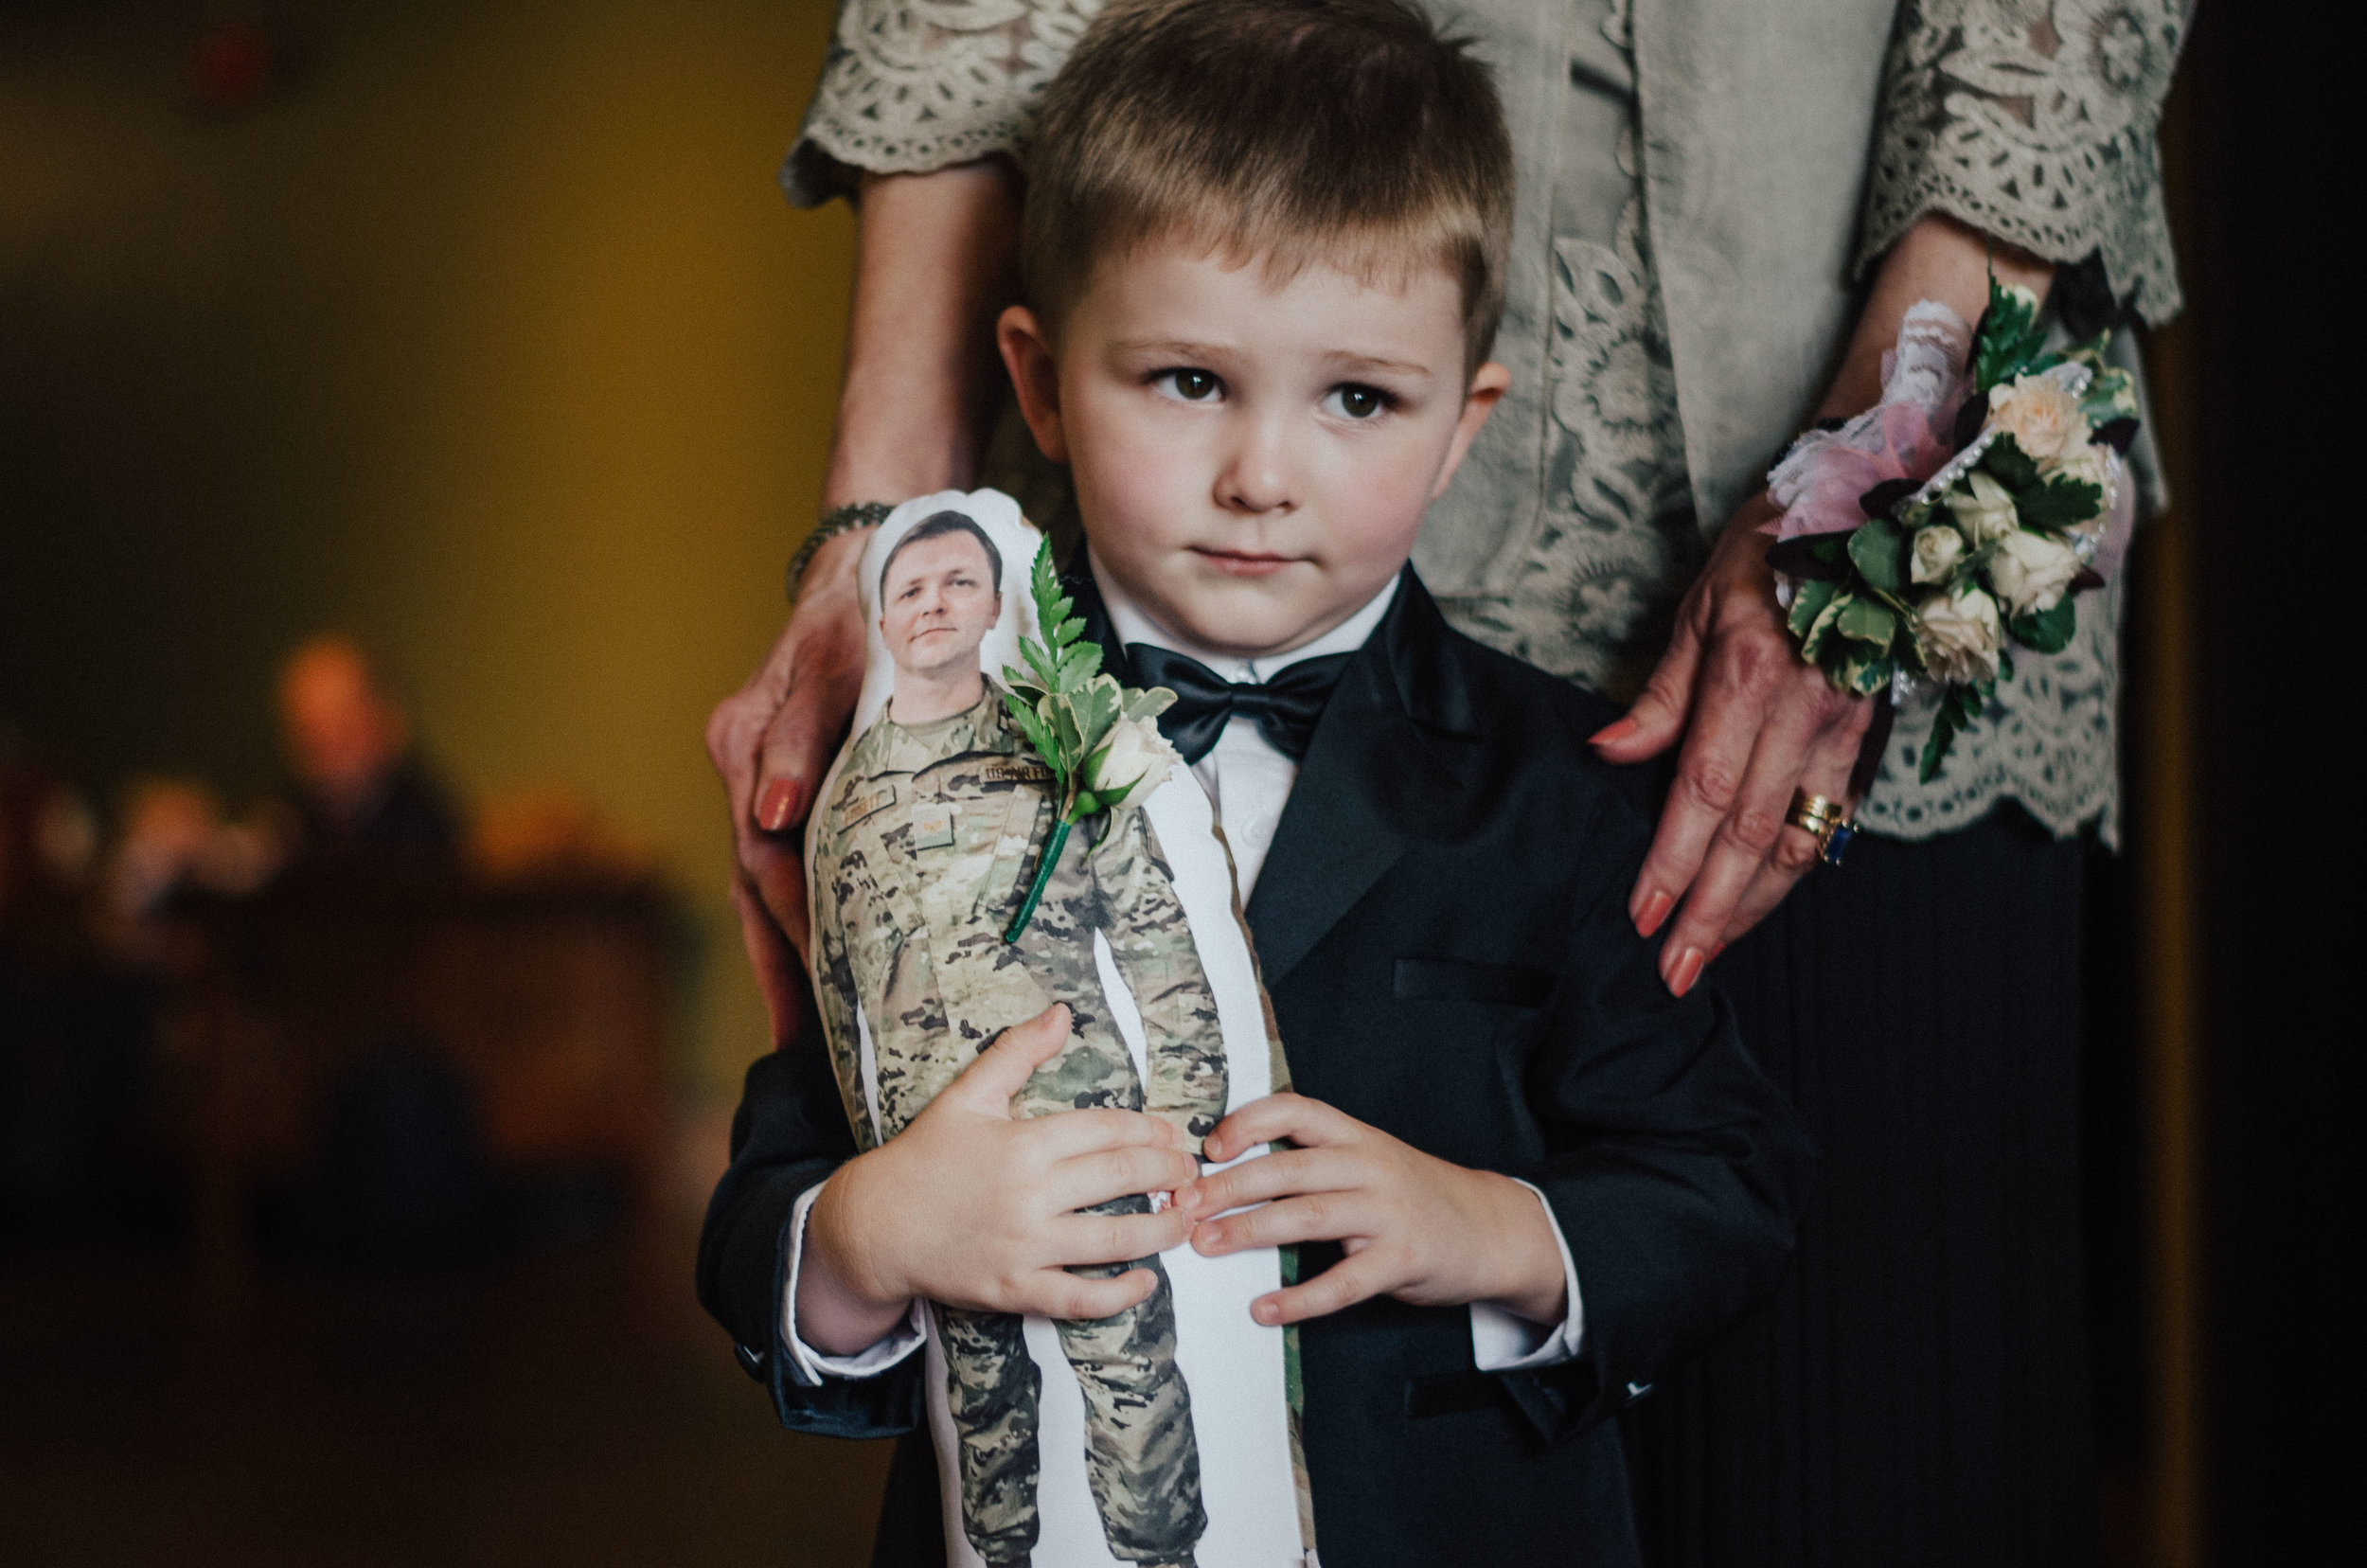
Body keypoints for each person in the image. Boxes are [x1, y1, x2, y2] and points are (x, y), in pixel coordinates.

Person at [710, 1, 2189, 1561]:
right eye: (1187, 383)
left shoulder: (1551, 792)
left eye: (1356, 398)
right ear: (1040, 381)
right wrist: (867, 1236)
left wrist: (1497, 1228)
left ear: (1462, 421)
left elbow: (1725, 1180)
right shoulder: (946, 775)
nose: (1262, 476)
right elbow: (777, 1178)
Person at [808, 508, 1222, 1567]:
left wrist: (1189, 1117)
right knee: (983, 1409)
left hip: (1087, 1134)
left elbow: (1150, 927)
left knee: (1129, 1379)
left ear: (995, 606)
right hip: (936, 1178)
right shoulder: (845, 800)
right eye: (909, 589)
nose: (934, 603)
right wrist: (881, 1166)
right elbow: (838, 989)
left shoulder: (1063, 746)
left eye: (957, 583)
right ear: (885, 620)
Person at [275, 633, 458, 877]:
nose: (324, 745)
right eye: (306, 728)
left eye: (341, 724)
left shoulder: (420, 825)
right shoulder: (290, 823)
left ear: (384, 716)